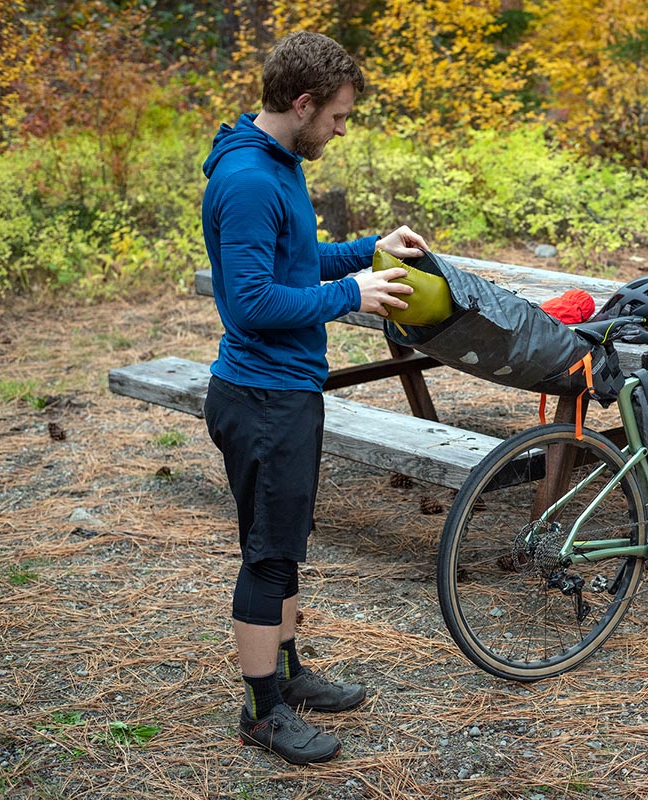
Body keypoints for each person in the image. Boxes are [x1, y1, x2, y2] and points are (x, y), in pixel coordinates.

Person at [200, 30, 427, 765]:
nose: (339, 129)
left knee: (285, 546)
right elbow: (254, 302)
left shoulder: (279, 163)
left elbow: (295, 261)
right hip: (261, 398)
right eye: (336, 117)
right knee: (269, 555)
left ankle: (289, 674)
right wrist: (352, 295)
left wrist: (367, 251)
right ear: (301, 103)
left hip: (287, 392)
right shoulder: (247, 181)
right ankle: (262, 713)